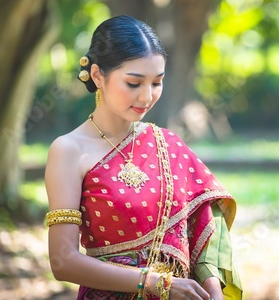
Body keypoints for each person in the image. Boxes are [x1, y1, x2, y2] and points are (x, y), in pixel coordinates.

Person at [44, 15, 242, 300]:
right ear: (98, 75)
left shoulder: (168, 143)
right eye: (134, 83)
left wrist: (213, 291)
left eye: (157, 83)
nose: (147, 97)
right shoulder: (69, 151)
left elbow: (204, 225)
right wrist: (157, 284)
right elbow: (63, 261)